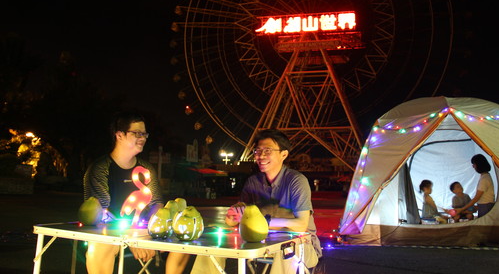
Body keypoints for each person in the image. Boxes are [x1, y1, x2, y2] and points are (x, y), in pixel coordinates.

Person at [166, 129, 322, 274]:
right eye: (257, 151)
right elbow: (237, 216)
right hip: (266, 240)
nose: (260, 156)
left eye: (267, 151)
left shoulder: (296, 181)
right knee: (214, 243)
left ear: (284, 154)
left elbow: (301, 224)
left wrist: (263, 222)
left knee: (287, 250)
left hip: (302, 244)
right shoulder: (253, 182)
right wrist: (233, 216)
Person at [83, 111, 164, 274]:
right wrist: (129, 237)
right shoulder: (100, 168)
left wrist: (145, 232)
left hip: (144, 230)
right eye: (137, 133)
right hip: (110, 231)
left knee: (185, 244)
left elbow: (156, 205)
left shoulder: (147, 169)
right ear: (119, 135)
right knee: (99, 248)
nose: (143, 138)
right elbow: (100, 212)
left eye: (144, 134)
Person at [454, 154, 495, 218]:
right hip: (483, 206)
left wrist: (462, 209)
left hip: (485, 206)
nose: (473, 166)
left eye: (474, 164)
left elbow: (477, 198)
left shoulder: (485, 179)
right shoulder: (484, 176)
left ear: (479, 165)